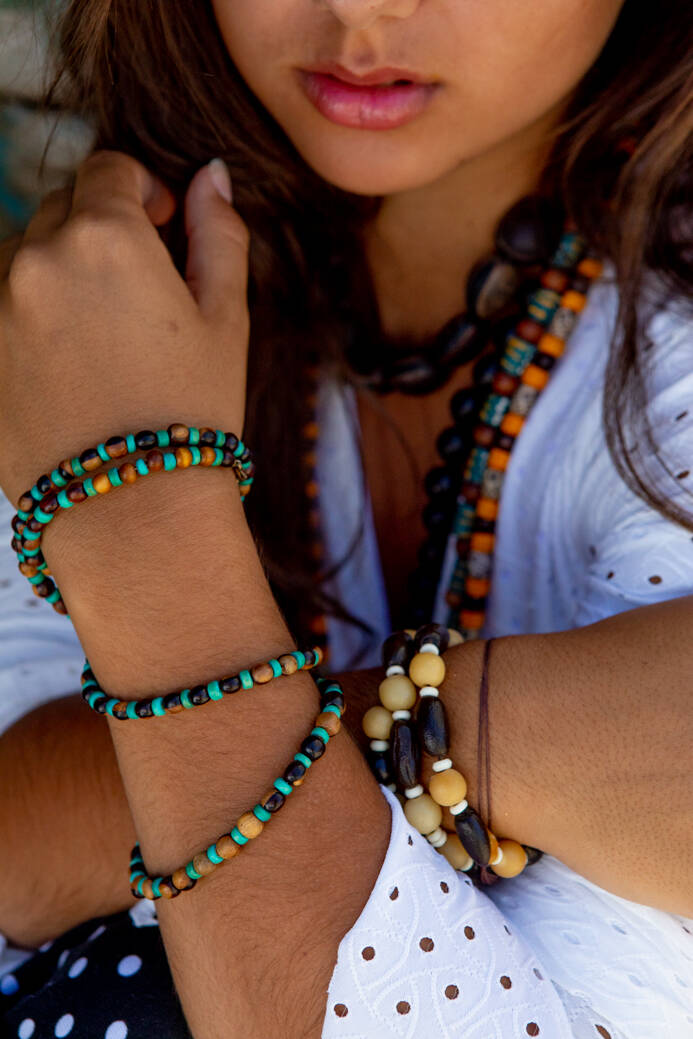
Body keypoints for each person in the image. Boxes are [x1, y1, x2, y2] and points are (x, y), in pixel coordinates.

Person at [0, 0, 692, 1036]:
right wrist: (482, 732)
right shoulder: (106, 293)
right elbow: (12, 832)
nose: (364, 9)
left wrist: (140, 520)